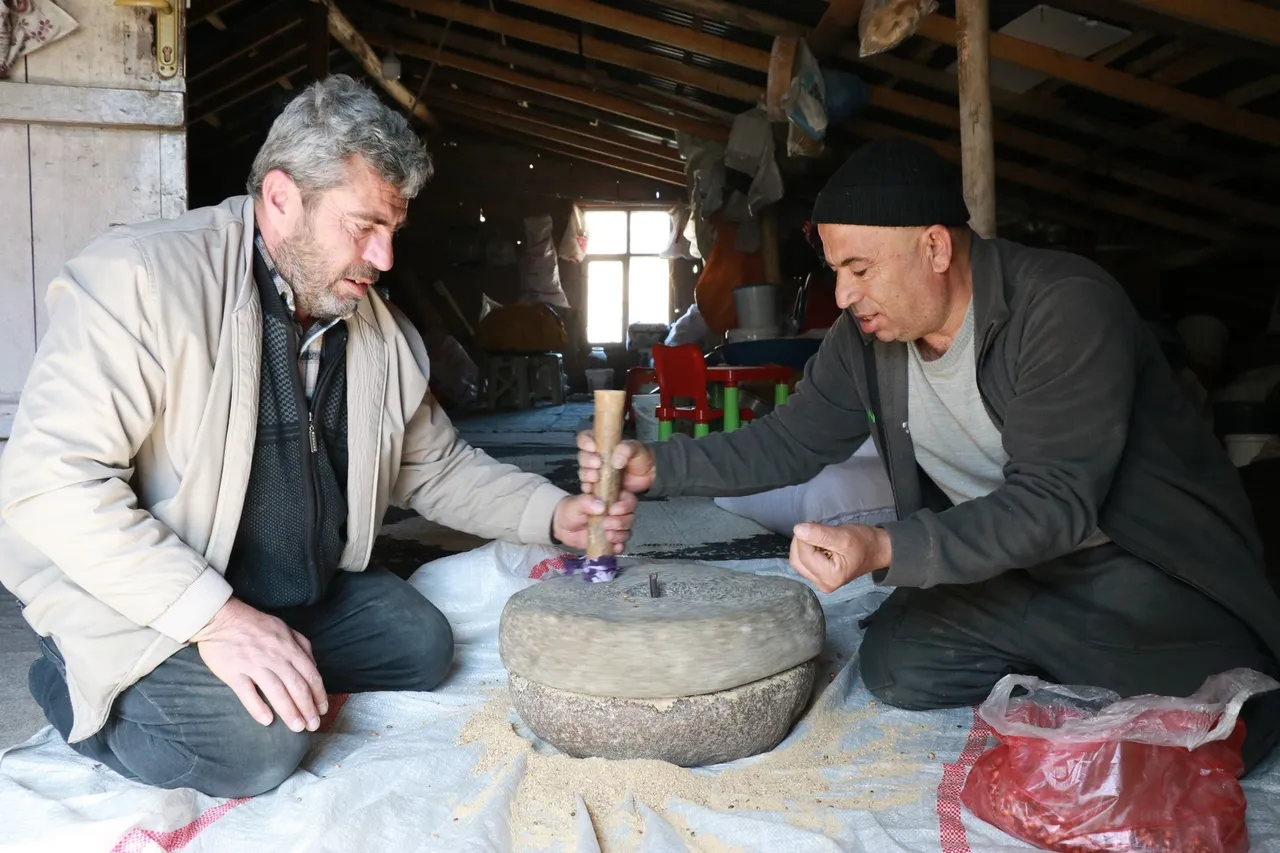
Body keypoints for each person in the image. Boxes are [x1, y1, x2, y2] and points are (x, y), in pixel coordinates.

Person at [0, 75, 635, 798]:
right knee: (261, 748)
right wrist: (219, 620)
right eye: (363, 227)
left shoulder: (371, 327)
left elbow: (435, 466)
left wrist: (555, 514)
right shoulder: (142, 280)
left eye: (392, 231)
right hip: (136, 596)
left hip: (280, 589)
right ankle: (75, 685)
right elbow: (53, 484)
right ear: (281, 198)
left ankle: (260, 653)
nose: (384, 258)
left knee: (421, 646)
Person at [579, 137, 1280, 773]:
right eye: (835, 270)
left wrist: (885, 546)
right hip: (1009, 570)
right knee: (895, 666)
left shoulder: (1063, 307)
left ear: (936, 249)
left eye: (859, 268)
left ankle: (1097, 655)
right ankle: (1073, 659)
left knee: (1231, 725)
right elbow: (791, 439)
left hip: (1129, 562)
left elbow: (1053, 503)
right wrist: (659, 466)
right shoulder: (864, 337)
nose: (844, 295)